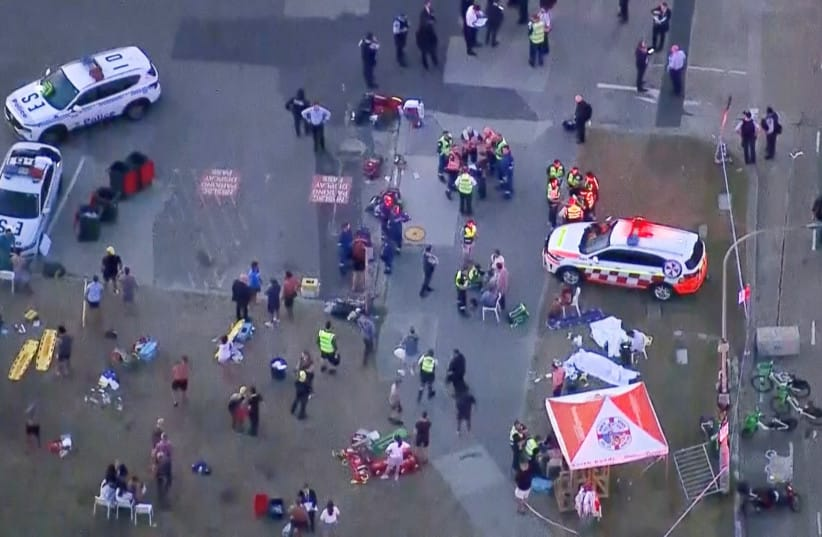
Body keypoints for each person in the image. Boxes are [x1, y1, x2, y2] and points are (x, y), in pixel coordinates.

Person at [416, 2, 439, 70]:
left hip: (429, 35)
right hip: (424, 37)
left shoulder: (430, 11)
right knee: (424, 52)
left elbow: (433, 18)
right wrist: (429, 22)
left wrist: (433, 20)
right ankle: (425, 65)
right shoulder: (423, 14)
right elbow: (423, 22)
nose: (429, 5)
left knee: (432, 51)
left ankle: (434, 61)